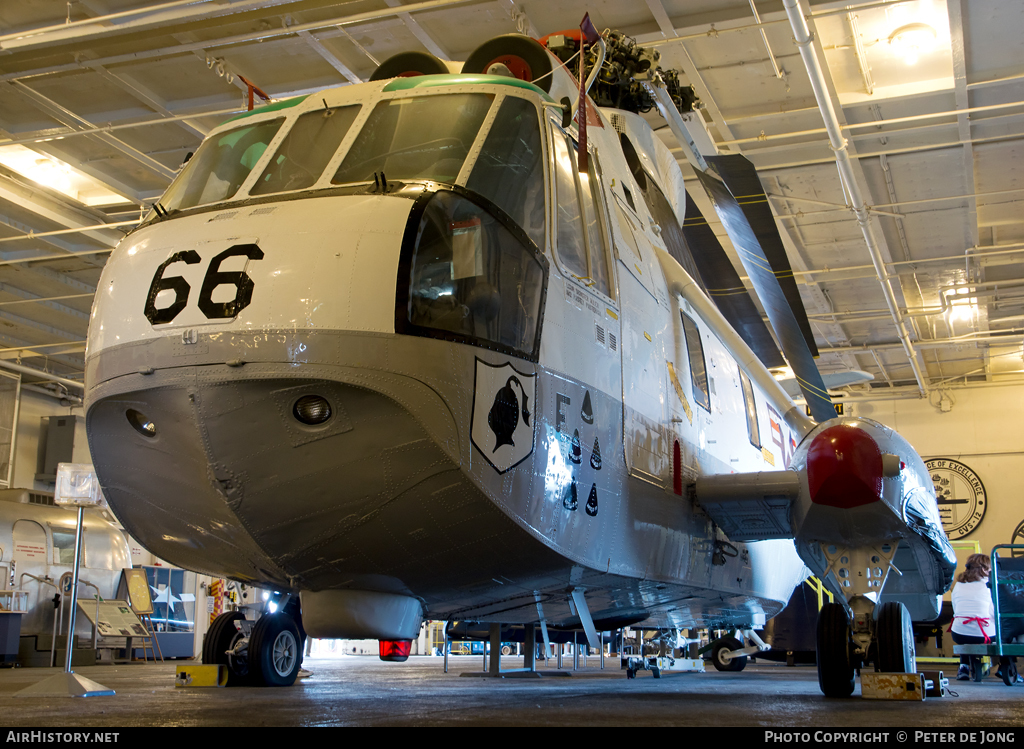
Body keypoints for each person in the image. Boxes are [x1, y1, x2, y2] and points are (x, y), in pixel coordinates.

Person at [949, 553, 996, 681]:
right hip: (984, 635)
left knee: (967, 635)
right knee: (1004, 630)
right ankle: (1003, 666)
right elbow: (994, 611)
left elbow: (956, 608)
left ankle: (963, 667)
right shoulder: (990, 585)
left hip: (959, 633)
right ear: (984, 569)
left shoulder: (958, 584)